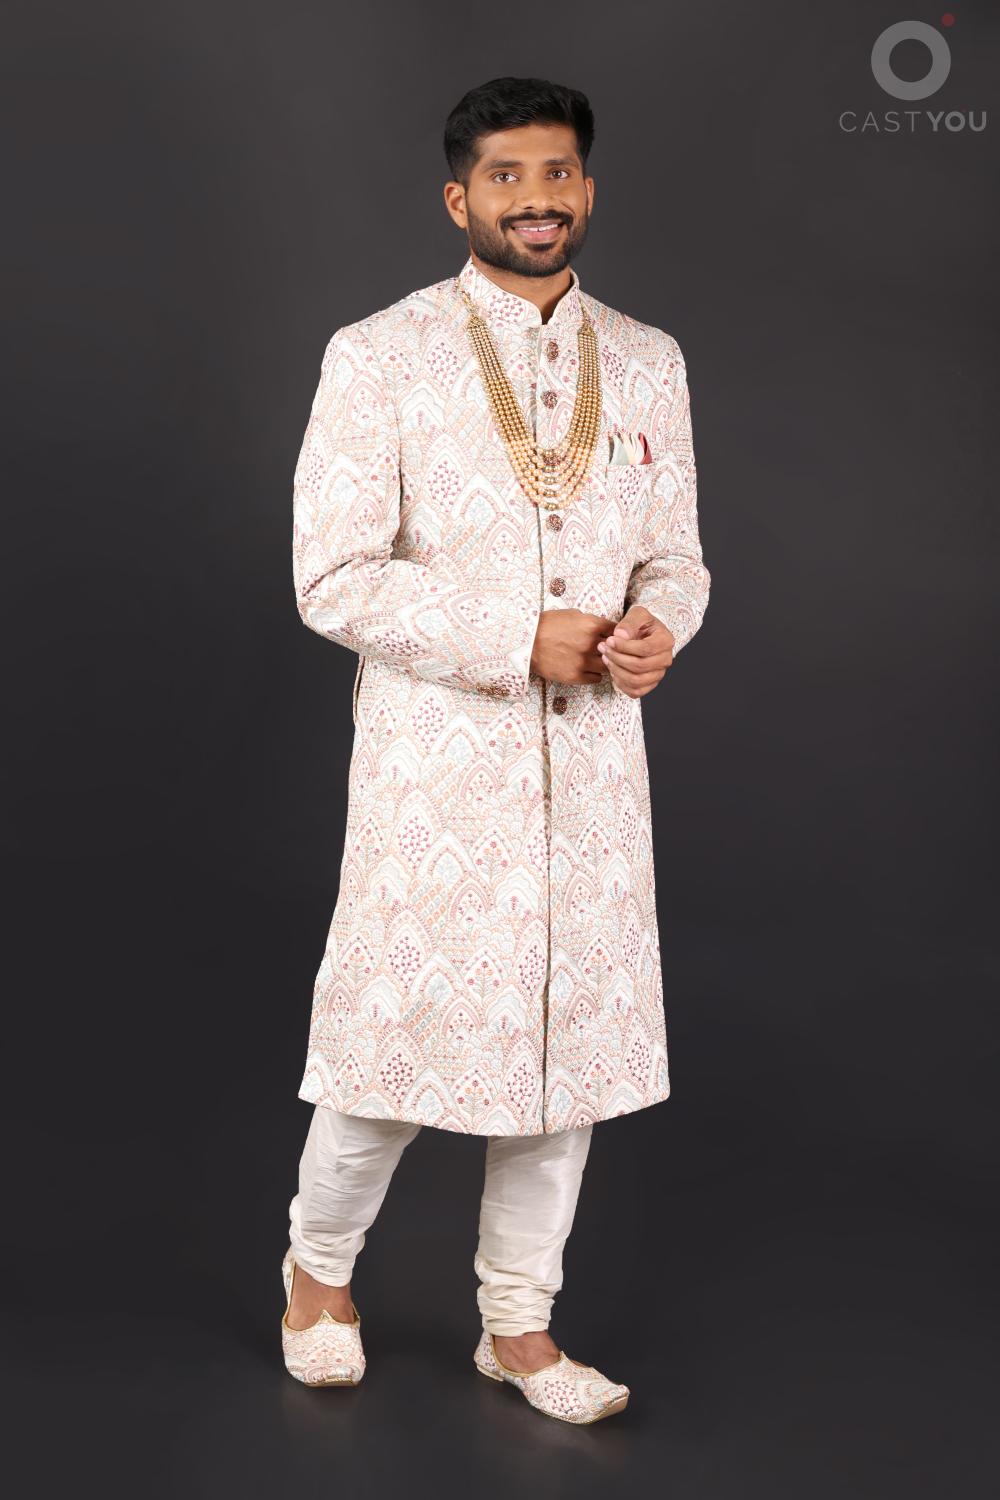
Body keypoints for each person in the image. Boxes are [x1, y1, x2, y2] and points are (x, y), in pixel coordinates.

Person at [281, 75, 710, 1424]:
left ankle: (518, 1326)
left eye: (559, 173)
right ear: (457, 198)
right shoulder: (381, 354)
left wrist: (659, 627)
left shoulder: (647, 358)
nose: (538, 199)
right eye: (509, 176)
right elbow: (331, 577)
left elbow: (679, 556)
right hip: (436, 778)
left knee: (562, 1060)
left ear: (588, 188)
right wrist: (515, 636)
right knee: (388, 1050)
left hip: (592, 775)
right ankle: (317, 1279)